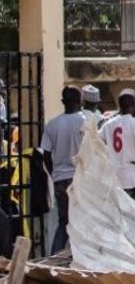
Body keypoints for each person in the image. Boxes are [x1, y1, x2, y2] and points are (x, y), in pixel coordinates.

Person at [41, 86, 86, 253]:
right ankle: (80, 256)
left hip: (60, 179)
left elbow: (45, 154)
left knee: (63, 222)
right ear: (80, 100)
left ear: (62, 102)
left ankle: (54, 257)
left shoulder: (52, 124)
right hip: (81, 179)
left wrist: (54, 174)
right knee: (82, 221)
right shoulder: (86, 121)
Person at [101, 89, 135, 202]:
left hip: (113, 179)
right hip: (131, 178)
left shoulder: (108, 124)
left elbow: (96, 141)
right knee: (131, 217)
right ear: (132, 105)